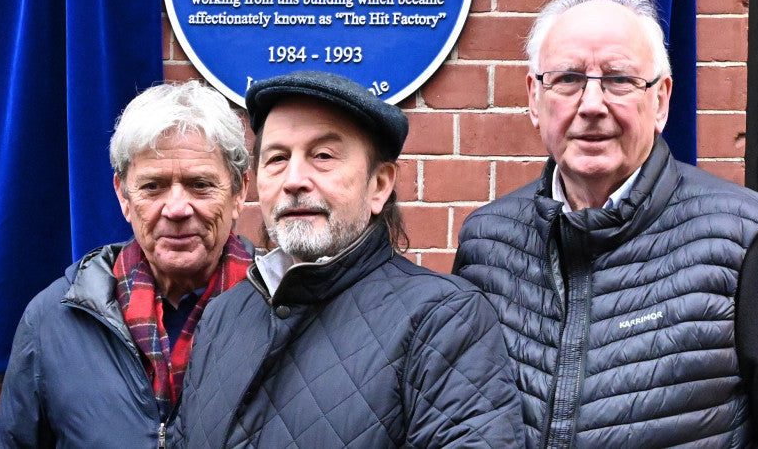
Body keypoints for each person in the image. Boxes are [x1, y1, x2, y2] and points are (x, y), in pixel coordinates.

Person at [452, 0, 758, 448]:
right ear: (534, 99)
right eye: (568, 79)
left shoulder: (742, 240)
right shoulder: (487, 244)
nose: (592, 106)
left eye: (619, 79)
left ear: (660, 100)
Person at [179, 70, 524, 448]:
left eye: (323, 156)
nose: (294, 179)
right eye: (277, 158)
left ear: (378, 186)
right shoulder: (221, 317)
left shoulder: (443, 320)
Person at [0, 81, 254, 447]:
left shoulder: (288, 310)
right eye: (152, 187)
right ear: (123, 195)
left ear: (239, 191)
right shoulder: (52, 320)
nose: (176, 209)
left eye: (199, 184)